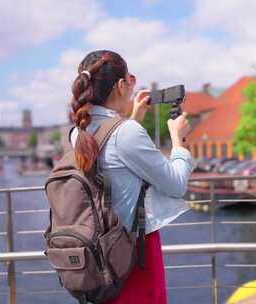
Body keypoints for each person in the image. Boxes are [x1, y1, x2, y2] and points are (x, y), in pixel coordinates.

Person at [69, 50, 194, 303]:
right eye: (131, 78)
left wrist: (132, 119)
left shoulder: (78, 132)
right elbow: (176, 185)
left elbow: (112, 158)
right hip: (134, 254)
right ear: (121, 85)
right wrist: (178, 141)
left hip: (100, 253)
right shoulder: (127, 133)